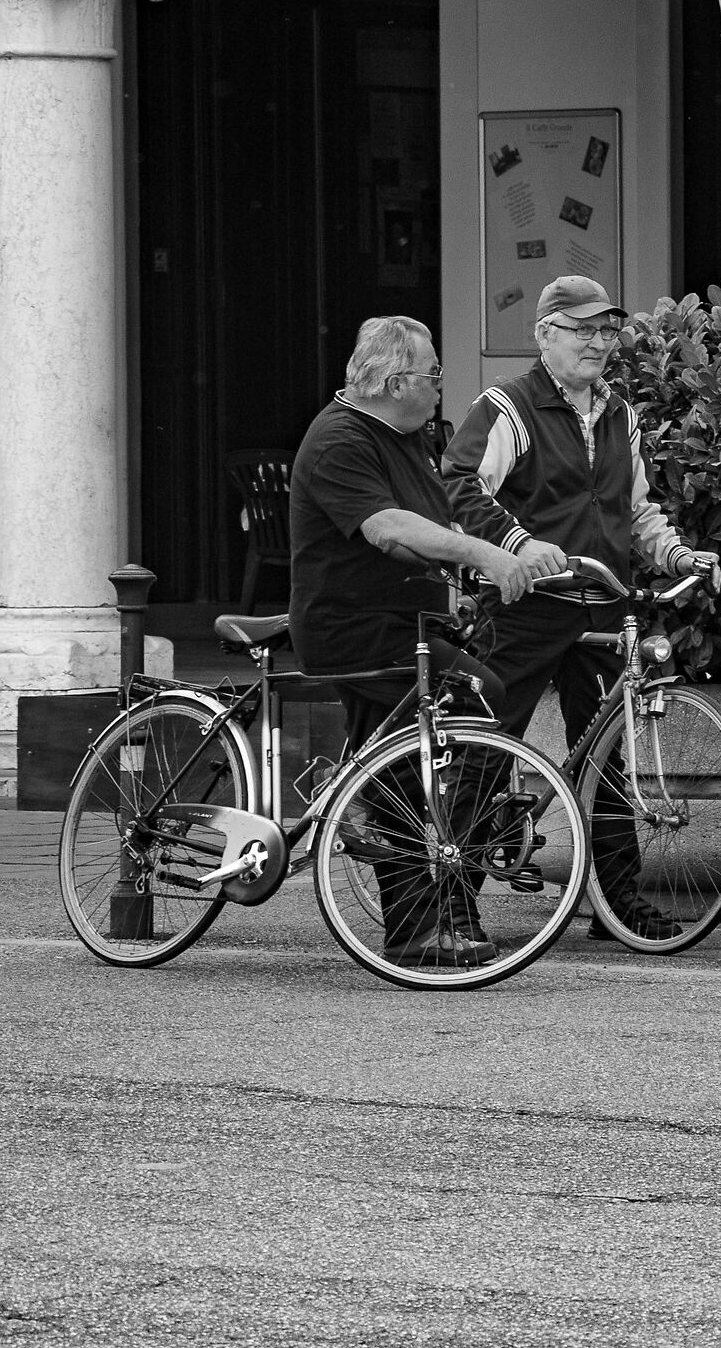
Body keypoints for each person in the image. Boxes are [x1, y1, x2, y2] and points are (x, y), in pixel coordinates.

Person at [442, 275, 720, 943]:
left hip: (602, 602)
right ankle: (450, 902)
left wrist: (676, 555)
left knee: (607, 757)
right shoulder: (508, 407)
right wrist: (517, 544)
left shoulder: (622, 414)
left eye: (607, 330)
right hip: (528, 604)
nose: (598, 342)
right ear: (545, 336)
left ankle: (616, 902)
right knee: (489, 746)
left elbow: (637, 509)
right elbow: (457, 484)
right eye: (582, 330)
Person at [289, 315, 562, 968]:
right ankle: (415, 925)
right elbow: (387, 529)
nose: (442, 386)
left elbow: (437, 517)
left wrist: (490, 566)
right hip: (351, 628)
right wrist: (484, 557)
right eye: (433, 374)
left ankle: (442, 872)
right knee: (413, 760)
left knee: (483, 699)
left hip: (407, 624)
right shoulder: (338, 440)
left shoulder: (409, 433)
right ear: (392, 380)